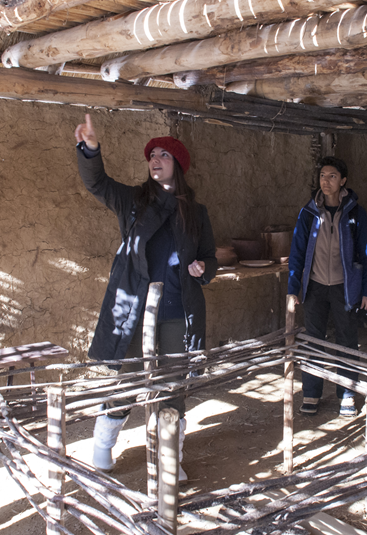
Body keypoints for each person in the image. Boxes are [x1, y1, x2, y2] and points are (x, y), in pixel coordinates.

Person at [74, 115, 217, 478]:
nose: (155, 159)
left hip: (177, 312)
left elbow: (210, 257)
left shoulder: (196, 213)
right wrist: (90, 150)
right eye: (152, 155)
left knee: (172, 388)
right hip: (135, 310)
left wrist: (204, 267)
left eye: (163, 155)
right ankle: (103, 445)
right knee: (128, 381)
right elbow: (97, 183)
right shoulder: (133, 201)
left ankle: (170, 458)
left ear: (178, 164)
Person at [287, 156, 367, 417]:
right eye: (322, 176)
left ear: (343, 181)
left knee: (347, 340)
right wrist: (294, 288)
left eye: (332, 176)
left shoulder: (356, 213)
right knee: (314, 340)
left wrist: (366, 291)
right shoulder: (308, 213)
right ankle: (311, 393)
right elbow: (297, 252)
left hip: (344, 288)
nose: (326, 181)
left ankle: (347, 394)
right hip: (314, 286)